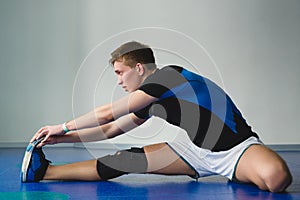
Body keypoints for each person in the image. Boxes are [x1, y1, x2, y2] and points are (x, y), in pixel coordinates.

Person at [21, 41, 292, 193]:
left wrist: (62, 125)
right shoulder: (150, 98)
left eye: (119, 73)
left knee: (277, 179)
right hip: (195, 151)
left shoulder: (169, 77)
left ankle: (242, 170)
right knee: (125, 159)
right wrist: (63, 139)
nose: (118, 81)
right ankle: (44, 172)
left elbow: (108, 113)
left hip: (235, 149)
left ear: (139, 68)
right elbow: (112, 130)